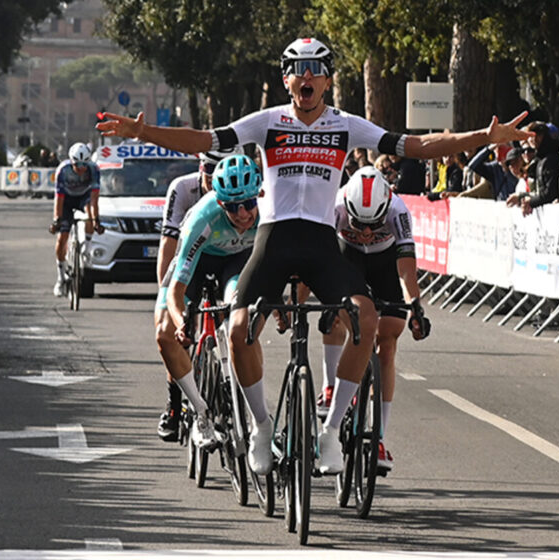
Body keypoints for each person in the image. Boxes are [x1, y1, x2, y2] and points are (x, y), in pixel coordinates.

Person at [97, 37, 531, 476]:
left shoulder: (346, 125)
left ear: (327, 80)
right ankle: (263, 428)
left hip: (323, 244)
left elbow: (415, 146)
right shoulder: (268, 122)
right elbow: (205, 139)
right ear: (286, 79)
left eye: (315, 69)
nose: (306, 76)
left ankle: (330, 433)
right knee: (239, 329)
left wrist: (482, 136)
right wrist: (143, 132)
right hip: (274, 240)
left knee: (365, 319)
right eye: (297, 70)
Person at [315, 166, 427, 471]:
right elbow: (320, 258)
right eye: (359, 224)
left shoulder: (398, 210)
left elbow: (406, 267)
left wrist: (414, 303)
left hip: (384, 263)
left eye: (373, 225)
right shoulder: (335, 205)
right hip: (346, 256)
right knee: (339, 314)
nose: (365, 232)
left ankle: (378, 437)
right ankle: (329, 386)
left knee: (388, 341)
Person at [155, 154, 262, 449]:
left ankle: (257, 419)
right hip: (198, 263)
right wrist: (180, 324)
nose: (242, 215)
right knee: (164, 334)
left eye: (249, 204)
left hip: (238, 263)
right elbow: (176, 289)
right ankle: (200, 411)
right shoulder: (203, 218)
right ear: (220, 203)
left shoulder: (269, 212)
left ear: (259, 195)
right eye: (232, 207)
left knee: (244, 323)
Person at [49, 142, 102, 297]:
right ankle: (60, 277)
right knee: (62, 237)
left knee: (90, 217)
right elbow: (58, 199)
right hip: (66, 200)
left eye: (84, 164)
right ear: (71, 162)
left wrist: (96, 220)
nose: (81, 168)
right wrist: (56, 220)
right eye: (77, 164)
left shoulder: (94, 170)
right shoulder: (63, 171)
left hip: (83, 198)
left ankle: (86, 248)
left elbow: (94, 200)